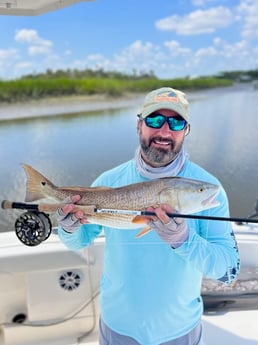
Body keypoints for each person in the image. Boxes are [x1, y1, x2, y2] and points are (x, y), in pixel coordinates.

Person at [56, 87, 240, 345]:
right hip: (117, 326)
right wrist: (67, 228)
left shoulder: (208, 190)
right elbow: (79, 240)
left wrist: (184, 239)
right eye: (154, 120)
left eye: (176, 122)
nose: (164, 132)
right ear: (139, 125)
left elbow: (228, 271)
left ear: (186, 130)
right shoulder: (109, 181)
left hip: (179, 331)